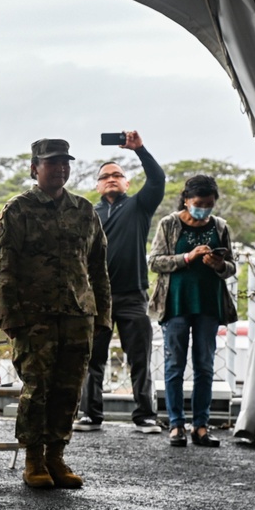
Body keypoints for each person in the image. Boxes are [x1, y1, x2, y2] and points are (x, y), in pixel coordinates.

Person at [0, 138, 110, 489]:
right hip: (34, 317)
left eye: (64, 163)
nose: (60, 168)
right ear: (34, 168)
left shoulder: (84, 210)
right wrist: (9, 316)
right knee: (37, 388)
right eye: (51, 163)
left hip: (77, 314)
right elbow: (4, 269)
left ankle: (56, 454)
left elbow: (98, 266)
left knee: (68, 388)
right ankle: (33, 458)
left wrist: (102, 314)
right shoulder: (17, 210)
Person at [75, 131, 165, 434]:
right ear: (98, 185)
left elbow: (157, 181)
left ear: (126, 182)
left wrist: (139, 149)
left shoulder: (139, 206)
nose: (111, 178)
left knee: (139, 358)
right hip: (97, 296)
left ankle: (145, 416)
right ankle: (90, 414)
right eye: (105, 176)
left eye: (117, 175)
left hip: (132, 294)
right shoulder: (89, 212)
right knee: (92, 358)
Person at [148, 174, 236, 449]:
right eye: (199, 203)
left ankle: (201, 425)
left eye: (209, 204)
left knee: (205, 366)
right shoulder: (169, 224)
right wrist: (187, 257)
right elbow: (154, 262)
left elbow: (231, 267)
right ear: (186, 200)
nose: (204, 209)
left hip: (208, 304)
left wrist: (218, 264)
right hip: (175, 303)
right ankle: (176, 424)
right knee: (175, 365)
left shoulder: (220, 226)